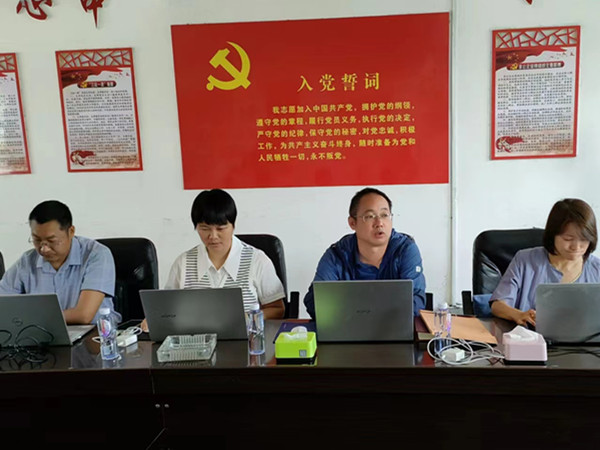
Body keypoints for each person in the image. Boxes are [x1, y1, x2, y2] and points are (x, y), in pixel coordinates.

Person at [141, 189, 285, 332]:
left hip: (246, 341)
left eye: (220, 228)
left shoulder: (257, 260)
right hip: (195, 341)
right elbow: (167, 310)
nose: (213, 236)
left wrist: (248, 318)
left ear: (233, 226)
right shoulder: (183, 263)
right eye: (204, 229)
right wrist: (155, 319)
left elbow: (277, 309)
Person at [303, 187, 426, 319]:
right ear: (352, 223)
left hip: (393, 328)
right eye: (370, 216)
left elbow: (416, 301)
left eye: (384, 215)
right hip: (347, 328)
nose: (379, 223)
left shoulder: (404, 250)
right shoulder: (337, 255)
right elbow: (315, 301)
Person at [0, 200, 119, 325]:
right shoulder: (27, 261)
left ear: (71, 231)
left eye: (52, 241)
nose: (44, 249)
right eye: (37, 240)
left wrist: (31, 318)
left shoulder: (96, 254)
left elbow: (84, 315)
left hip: (94, 333)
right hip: (42, 332)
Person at [490, 198, 600, 326]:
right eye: (568, 239)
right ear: (553, 235)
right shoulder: (525, 260)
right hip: (529, 335)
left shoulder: (596, 269)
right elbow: (498, 305)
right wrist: (518, 315)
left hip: (585, 338)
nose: (576, 247)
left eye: (584, 240)